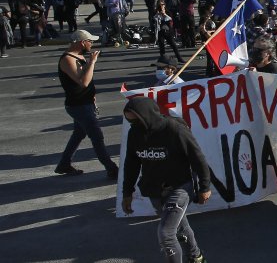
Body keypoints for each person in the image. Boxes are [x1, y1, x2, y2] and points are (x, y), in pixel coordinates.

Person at [121, 97, 210, 263]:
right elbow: (131, 164)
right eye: (130, 122)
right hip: (154, 189)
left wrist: (205, 186)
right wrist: (127, 192)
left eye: (137, 121)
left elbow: (197, 157)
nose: (135, 125)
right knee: (180, 227)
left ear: (147, 115)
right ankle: (197, 257)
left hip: (179, 187)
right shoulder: (134, 134)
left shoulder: (174, 129)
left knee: (166, 233)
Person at [55, 30, 119, 178]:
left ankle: (64, 163)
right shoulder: (67, 59)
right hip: (78, 106)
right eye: (90, 41)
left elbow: (86, 82)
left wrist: (92, 96)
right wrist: (92, 62)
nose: (92, 44)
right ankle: (111, 168)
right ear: (82, 42)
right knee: (97, 136)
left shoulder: (79, 56)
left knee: (78, 134)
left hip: (85, 103)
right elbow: (83, 82)